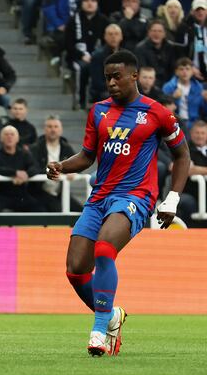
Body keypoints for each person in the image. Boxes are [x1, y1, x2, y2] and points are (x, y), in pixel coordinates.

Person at [46, 50, 190, 356]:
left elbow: (182, 155)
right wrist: (62, 166)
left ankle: (99, 331)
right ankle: (111, 315)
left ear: (134, 76)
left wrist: (172, 198)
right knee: (75, 269)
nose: (111, 82)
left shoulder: (156, 113)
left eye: (117, 77)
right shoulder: (98, 111)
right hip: (100, 196)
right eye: (107, 77)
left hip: (136, 195)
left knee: (104, 248)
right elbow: (87, 156)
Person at [0, 125, 44, 212]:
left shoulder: (24, 154)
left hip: (20, 194)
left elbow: (36, 167)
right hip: (0, 194)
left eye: (12, 134)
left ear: (17, 139)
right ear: (1, 139)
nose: (9, 137)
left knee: (39, 209)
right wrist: (15, 173)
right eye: (6, 134)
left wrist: (26, 175)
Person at [29, 115, 78, 212]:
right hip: (39, 193)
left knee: (81, 212)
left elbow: (77, 163)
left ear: (61, 130)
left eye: (56, 127)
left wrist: (73, 171)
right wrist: (53, 172)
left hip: (60, 193)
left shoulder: (66, 147)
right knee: (58, 211)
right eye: (50, 126)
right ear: (45, 129)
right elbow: (33, 169)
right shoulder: (35, 148)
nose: (53, 130)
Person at [162, 57, 207, 129]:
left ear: (192, 71)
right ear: (176, 71)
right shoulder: (168, 87)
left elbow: (204, 111)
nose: (185, 72)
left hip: (194, 123)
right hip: (174, 122)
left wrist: (206, 101)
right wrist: (173, 97)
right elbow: (163, 109)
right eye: (181, 69)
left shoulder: (199, 87)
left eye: (187, 69)